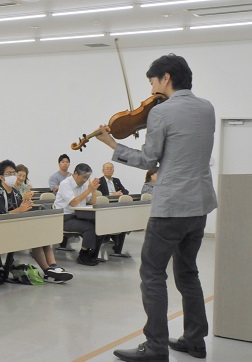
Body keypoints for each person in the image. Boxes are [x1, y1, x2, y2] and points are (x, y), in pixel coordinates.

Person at [96, 54, 217, 361]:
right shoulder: (207, 108)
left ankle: (155, 347)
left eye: (152, 82)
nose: (151, 91)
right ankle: (195, 340)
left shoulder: (161, 114)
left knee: (152, 273)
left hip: (171, 207)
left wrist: (113, 145)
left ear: (165, 78)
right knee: (188, 272)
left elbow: (148, 161)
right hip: (200, 204)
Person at [0, 160, 72, 282]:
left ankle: (53, 266)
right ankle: (47, 270)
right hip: (4, 230)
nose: (13, 176)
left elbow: (21, 211)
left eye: (14, 173)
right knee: (35, 237)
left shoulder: (15, 193)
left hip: (18, 226)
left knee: (43, 236)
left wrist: (26, 205)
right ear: (1, 177)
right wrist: (20, 209)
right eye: (9, 173)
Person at [53, 163, 103, 267]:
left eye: (87, 178)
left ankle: (92, 254)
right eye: (84, 177)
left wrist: (93, 190)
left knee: (100, 224)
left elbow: (92, 202)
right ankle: (83, 255)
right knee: (89, 227)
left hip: (79, 215)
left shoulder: (85, 185)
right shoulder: (65, 183)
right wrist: (89, 190)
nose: (85, 180)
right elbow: (73, 203)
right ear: (76, 173)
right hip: (64, 218)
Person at [98, 162, 129, 256]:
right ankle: (112, 239)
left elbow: (125, 191)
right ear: (102, 170)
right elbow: (99, 196)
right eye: (107, 168)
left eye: (111, 168)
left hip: (117, 204)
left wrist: (121, 193)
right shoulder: (99, 181)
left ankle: (118, 246)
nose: (109, 170)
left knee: (124, 221)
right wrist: (112, 195)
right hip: (105, 206)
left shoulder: (116, 180)